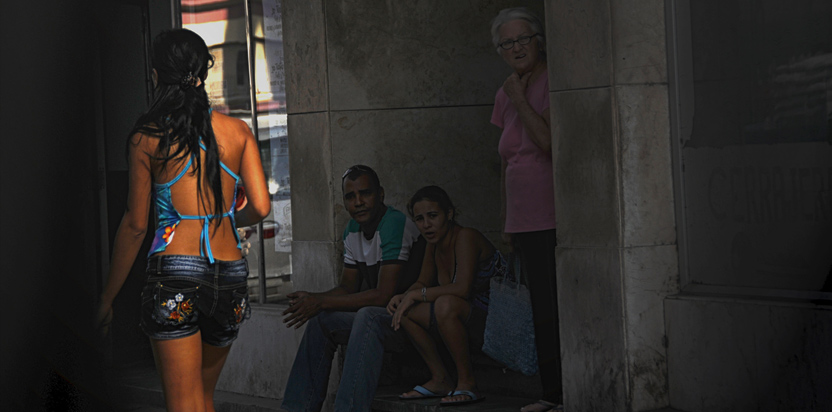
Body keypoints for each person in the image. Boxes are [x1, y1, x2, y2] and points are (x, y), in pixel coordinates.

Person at [95, 29, 271, 412]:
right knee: (202, 400)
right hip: (231, 277)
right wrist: (225, 219)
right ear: (202, 72)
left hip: (175, 272)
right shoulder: (238, 131)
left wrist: (107, 298)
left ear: (156, 75)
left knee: (183, 405)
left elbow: (136, 225)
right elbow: (260, 208)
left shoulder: (147, 137)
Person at [280, 165, 423, 412]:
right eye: (350, 197)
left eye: (365, 193)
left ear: (381, 195)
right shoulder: (352, 230)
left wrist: (322, 302)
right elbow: (347, 287)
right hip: (387, 317)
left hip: (413, 319)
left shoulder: (394, 223)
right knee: (321, 320)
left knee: (367, 316)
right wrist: (314, 299)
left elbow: (383, 296)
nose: (358, 202)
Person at [490, 7, 563, 412]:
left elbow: (547, 141)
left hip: (551, 213)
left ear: (538, 41)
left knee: (555, 306)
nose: (516, 48)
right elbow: (504, 162)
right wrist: (505, 221)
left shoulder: (552, 80)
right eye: (507, 43)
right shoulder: (504, 92)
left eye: (523, 39)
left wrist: (520, 98)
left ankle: (561, 392)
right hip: (523, 218)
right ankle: (549, 392)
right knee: (538, 309)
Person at [388, 186, 506, 406]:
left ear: (449, 214)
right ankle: (440, 378)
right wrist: (404, 296)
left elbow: (462, 289)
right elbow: (422, 282)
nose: (426, 225)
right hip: (464, 317)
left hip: (496, 322)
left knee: (445, 304)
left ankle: (468, 382)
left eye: (433, 216)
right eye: (419, 219)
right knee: (404, 310)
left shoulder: (465, 236)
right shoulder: (433, 245)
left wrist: (416, 294)